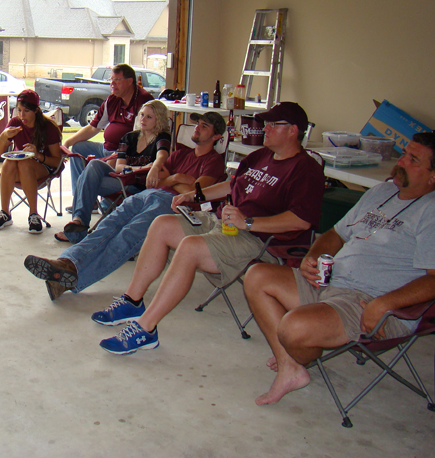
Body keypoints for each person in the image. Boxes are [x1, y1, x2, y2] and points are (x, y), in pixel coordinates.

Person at [245, 131, 435, 406]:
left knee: (293, 329)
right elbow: (336, 234)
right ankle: (291, 366)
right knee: (257, 275)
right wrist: (313, 257)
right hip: (331, 281)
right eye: (405, 154)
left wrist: (383, 304)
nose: (402, 162)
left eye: (413, 160)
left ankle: (294, 356)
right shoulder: (382, 191)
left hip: (370, 302)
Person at [95, 101, 325, 355]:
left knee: (190, 248)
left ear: (293, 130)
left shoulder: (306, 170)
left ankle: (146, 329)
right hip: (224, 222)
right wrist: (194, 195)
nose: (265, 129)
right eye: (266, 123)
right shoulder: (260, 156)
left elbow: (300, 221)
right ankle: (132, 301)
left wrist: (248, 222)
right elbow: (231, 186)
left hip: (258, 239)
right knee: (161, 224)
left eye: (273, 124)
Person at [24, 112, 228, 301]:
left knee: (127, 236)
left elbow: (195, 191)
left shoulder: (214, 162)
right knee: (108, 225)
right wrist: (176, 178)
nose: (197, 128)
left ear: (217, 137)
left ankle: (68, 278)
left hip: (174, 205)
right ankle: (65, 262)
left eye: (204, 126)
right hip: (148, 194)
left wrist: (173, 181)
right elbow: (156, 181)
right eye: (197, 124)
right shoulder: (180, 154)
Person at [56, 99, 172, 242]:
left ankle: (78, 225)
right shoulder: (130, 137)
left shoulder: (162, 137)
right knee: (94, 164)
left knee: (84, 180)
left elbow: (162, 155)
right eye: (142, 115)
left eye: (149, 117)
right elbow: (119, 167)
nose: (143, 119)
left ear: (158, 119)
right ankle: (78, 221)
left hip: (135, 184)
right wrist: (143, 168)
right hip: (121, 178)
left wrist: (154, 167)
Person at [63, 64, 154, 202]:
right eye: (111, 80)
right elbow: (93, 127)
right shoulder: (112, 100)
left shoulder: (143, 102)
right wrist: (67, 143)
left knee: (95, 169)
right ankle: (81, 199)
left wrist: (118, 155)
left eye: (117, 80)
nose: (112, 84)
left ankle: (87, 199)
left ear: (130, 81)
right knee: (78, 148)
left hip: (125, 155)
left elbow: (143, 139)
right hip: (106, 149)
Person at [0, 89, 63, 235]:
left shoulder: (48, 127)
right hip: (18, 170)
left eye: (26, 111)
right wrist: (3, 137)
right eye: (19, 110)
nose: (22, 115)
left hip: (43, 167)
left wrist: (38, 155)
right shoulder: (15, 123)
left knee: (25, 163)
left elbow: (57, 161)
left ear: (36, 110)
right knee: (9, 162)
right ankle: (5, 213)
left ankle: (33, 214)